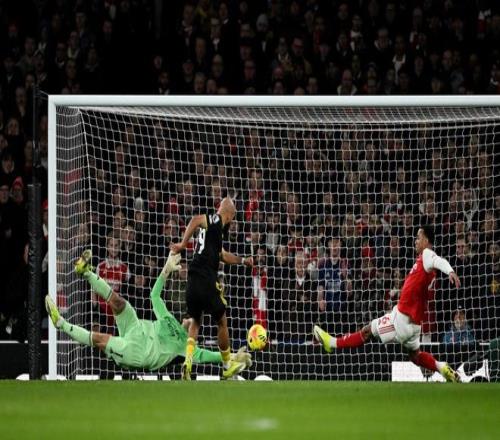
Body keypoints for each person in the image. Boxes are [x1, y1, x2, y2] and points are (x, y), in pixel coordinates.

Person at [45, 250, 251, 376]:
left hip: (138, 353)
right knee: (119, 303)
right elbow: (154, 295)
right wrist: (166, 270)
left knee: (100, 339)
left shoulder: (188, 350)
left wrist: (234, 356)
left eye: (194, 323)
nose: (190, 321)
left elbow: (213, 356)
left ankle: (59, 322)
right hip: (135, 328)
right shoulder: (169, 318)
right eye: (190, 318)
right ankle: (86, 272)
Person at [314, 226, 462, 382]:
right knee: (415, 356)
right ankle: (442, 367)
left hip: (402, 319)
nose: (415, 241)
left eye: (418, 238)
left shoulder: (427, 254)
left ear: (426, 240)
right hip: (414, 324)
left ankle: (332, 343)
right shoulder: (424, 263)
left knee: (368, 331)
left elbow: (439, 260)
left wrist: (450, 271)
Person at [170, 197, 253, 380]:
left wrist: (242, 261)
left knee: (195, 321)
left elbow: (222, 255)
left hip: (192, 280)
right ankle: (227, 366)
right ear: (229, 215)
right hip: (206, 278)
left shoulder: (212, 233)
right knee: (222, 321)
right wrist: (183, 244)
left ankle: (188, 362)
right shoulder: (216, 219)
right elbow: (195, 219)